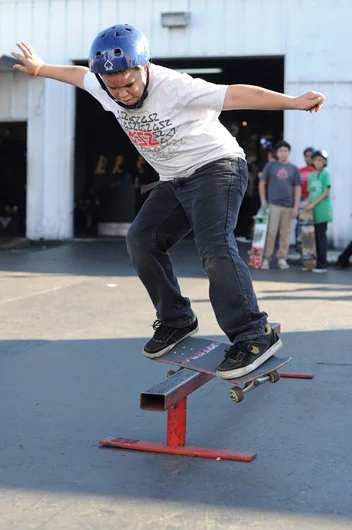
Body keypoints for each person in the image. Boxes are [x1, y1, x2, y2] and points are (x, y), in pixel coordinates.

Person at [11, 26, 325, 379]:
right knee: (141, 240)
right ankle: (177, 318)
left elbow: (238, 95)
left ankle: (254, 334)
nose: (123, 94)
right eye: (114, 88)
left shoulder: (176, 87)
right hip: (175, 179)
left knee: (214, 247)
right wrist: (39, 68)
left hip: (216, 167)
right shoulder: (102, 85)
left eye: (129, 84)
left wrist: (294, 102)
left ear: (145, 68)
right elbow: (75, 74)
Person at [259, 140, 302, 269]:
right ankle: (266, 258)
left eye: (285, 151)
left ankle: (282, 258)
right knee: (271, 232)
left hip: (288, 205)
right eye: (281, 151)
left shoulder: (293, 169)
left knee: (285, 233)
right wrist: (263, 200)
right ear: (277, 153)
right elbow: (262, 183)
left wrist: (296, 206)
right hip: (273, 205)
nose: (283, 153)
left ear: (289, 153)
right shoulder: (270, 166)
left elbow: (298, 188)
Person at [305, 150, 332, 273]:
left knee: (321, 237)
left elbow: (326, 192)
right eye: (316, 160)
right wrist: (307, 204)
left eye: (320, 160)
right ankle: (313, 263)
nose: (318, 162)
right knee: (312, 238)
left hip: (322, 211)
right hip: (312, 212)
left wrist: (313, 204)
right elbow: (311, 192)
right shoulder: (312, 176)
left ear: (324, 162)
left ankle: (323, 264)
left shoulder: (325, 174)